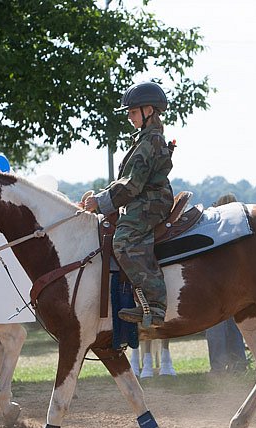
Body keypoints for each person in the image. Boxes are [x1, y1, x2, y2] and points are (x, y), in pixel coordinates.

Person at [81, 81, 174, 327]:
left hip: (151, 202)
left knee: (123, 241)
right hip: (144, 199)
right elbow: (126, 181)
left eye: (133, 112)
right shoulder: (145, 139)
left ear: (149, 111)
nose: (130, 117)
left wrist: (100, 202)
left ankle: (154, 306)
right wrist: (99, 198)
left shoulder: (150, 141)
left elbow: (132, 185)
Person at [204, 193, 248, 373]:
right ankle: (239, 364)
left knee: (216, 328)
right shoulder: (239, 229)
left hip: (215, 288)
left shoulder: (213, 228)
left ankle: (219, 368)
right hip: (235, 287)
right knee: (235, 327)